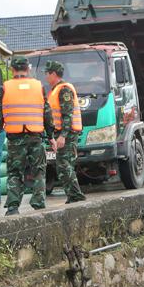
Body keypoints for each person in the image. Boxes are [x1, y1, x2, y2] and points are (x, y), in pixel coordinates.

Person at [0, 59, 53, 215]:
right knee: (38, 170)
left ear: (11, 69)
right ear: (28, 69)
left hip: (15, 138)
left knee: (15, 172)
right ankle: (38, 203)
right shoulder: (39, 86)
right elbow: (47, 113)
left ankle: (13, 206)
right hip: (35, 137)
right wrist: (51, 136)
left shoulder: (5, 87)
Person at [45, 60, 87, 204]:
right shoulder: (56, 90)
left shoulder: (64, 90)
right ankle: (73, 195)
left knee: (63, 164)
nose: (45, 76)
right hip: (61, 133)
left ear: (54, 74)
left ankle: (76, 195)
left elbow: (67, 115)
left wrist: (63, 136)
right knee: (63, 164)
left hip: (67, 134)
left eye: (47, 73)